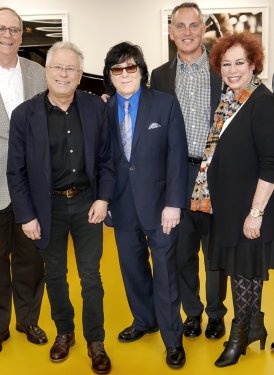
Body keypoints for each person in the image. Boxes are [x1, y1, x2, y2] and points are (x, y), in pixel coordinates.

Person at [7, 41, 115, 374]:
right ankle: (64, 333)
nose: (63, 74)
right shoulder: (25, 115)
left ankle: (96, 340)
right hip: (46, 207)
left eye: (70, 69)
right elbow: (16, 170)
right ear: (47, 72)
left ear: (80, 75)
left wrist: (103, 198)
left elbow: (108, 159)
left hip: (87, 204)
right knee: (55, 275)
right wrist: (26, 215)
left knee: (91, 277)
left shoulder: (96, 108)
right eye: (57, 68)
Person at [103, 42, 188, 368]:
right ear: (110, 75)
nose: (125, 74)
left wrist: (173, 204)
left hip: (160, 208)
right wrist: (105, 200)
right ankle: (144, 320)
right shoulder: (105, 110)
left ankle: (172, 339)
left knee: (165, 275)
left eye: (130, 67)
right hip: (122, 208)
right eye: (117, 69)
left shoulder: (164, 105)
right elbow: (102, 161)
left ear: (141, 70)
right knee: (132, 270)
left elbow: (177, 157)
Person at [191, 32, 274, 367]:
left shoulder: (262, 101)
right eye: (226, 63)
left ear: (253, 63)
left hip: (250, 205)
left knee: (244, 271)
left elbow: (271, 162)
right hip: (227, 205)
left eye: (240, 62)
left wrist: (256, 212)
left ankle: (238, 337)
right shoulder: (229, 100)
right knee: (243, 271)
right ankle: (256, 326)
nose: (233, 69)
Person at [150, 2, 227, 339]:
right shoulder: (160, 76)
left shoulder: (222, 69)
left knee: (215, 253)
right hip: (178, 176)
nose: (186, 32)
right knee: (182, 253)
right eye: (179, 26)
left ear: (203, 29)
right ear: (171, 32)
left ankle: (216, 314)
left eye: (193, 25)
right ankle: (192, 313)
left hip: (217, 174)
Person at [0, 7, 47, 352]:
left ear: (21, 35)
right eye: (2, 29)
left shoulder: (37, 72)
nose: (8, 35)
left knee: (31, 258)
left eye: (14, 30)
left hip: (31, 184)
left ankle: (28, 319)